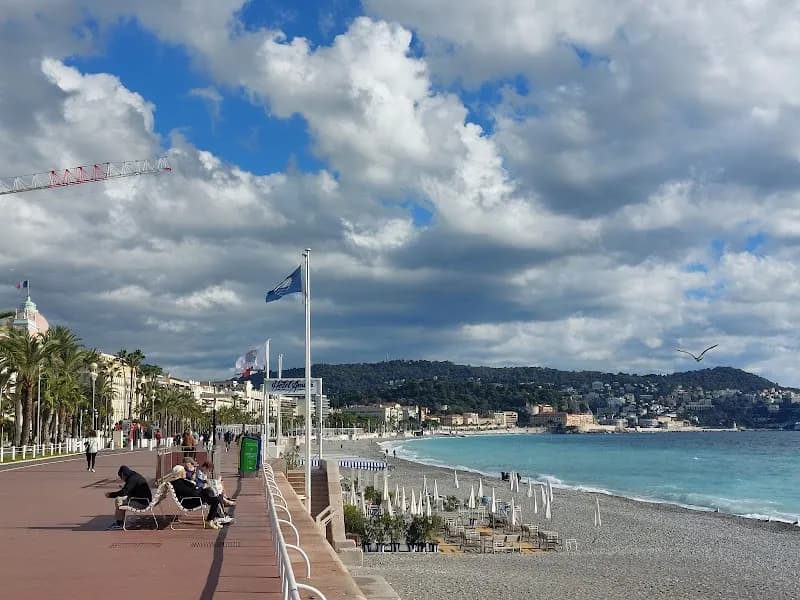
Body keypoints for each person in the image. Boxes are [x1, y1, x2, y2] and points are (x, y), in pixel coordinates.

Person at [105, 465, 152, 530]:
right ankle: (120, 520)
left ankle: (119, 523)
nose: (122, 479)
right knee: (120, 499)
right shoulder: (134, 475)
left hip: (142, 502)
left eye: (121, 477)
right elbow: (129, 489)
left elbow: (124, 492)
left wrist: (111, 495)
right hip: (144, 499)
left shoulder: (132, 479)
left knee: (118, 500)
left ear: (123, 474)